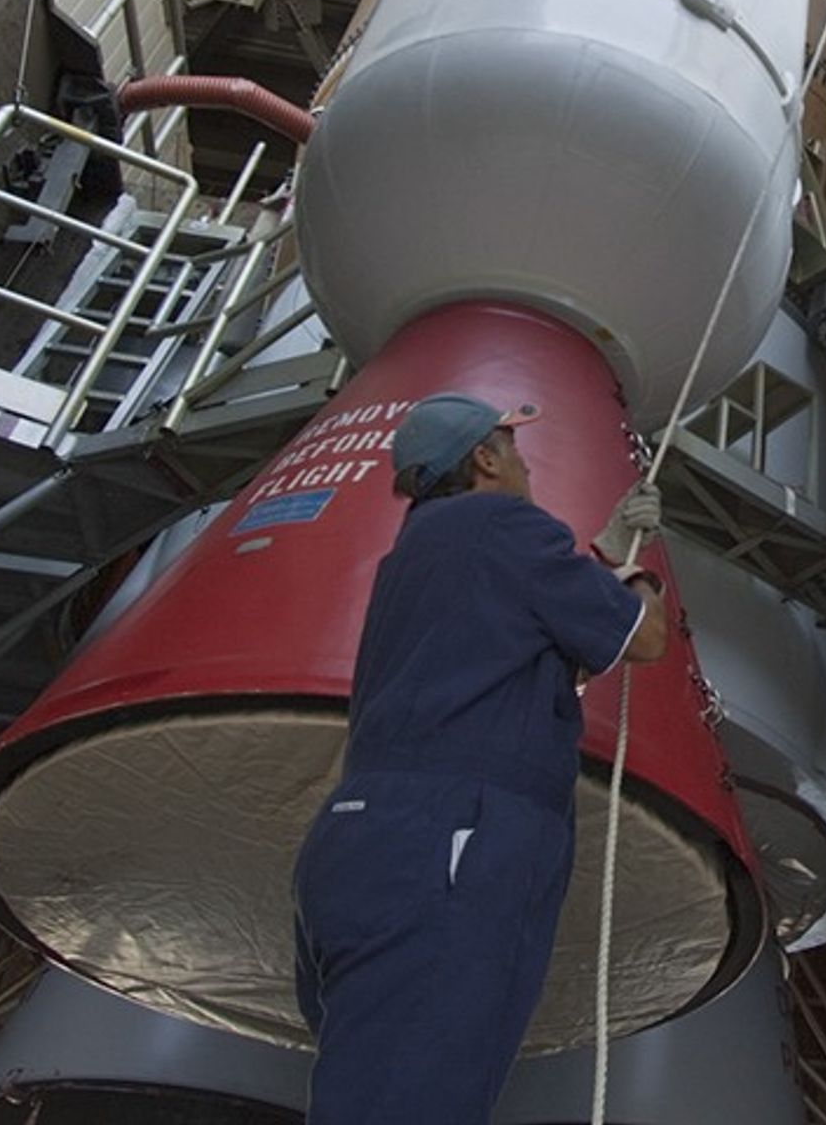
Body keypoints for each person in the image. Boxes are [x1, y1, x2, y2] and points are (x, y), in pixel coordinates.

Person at [293, 392, 670, 1124]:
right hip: (453, 839)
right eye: (515, 447)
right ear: (485, 458)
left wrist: (596, 554)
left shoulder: (409, 557)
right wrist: (642, 579)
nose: (526, 463)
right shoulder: (504, 525)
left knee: (375, 1080)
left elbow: (514, 648)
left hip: (358, 837)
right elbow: (643, 640)